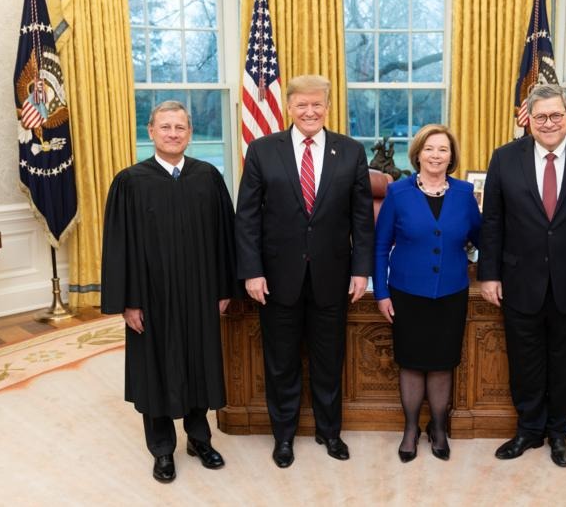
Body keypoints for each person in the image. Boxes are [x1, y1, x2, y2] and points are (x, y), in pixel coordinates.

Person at [235, 74, 374, 468]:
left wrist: (361, 269)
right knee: (281, 363)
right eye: (302, 105)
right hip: (277, 279)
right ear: (288, 108)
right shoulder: (263, 150)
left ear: (327, 108)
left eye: (317, 105)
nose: (310, 111)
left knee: (329, 361)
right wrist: (252, 271)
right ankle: (283, 438)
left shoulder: (350, 151)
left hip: (333, 276)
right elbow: (247, 218)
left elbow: (362, 217)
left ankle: (330, 433)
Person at [477, 83, 566, 466]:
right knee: (525, 360)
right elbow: (493, 221)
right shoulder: (505, 158)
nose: (549, 123)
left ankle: (558, 432)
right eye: (541, 116)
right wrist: (489, 274)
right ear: (529, 120)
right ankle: (528, 430)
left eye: (556, 115)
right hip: (520, 280)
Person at [101, 101, 237, 483]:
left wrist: (225, 288)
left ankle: (199, 439)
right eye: (165, 127)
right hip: (151, 296)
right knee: (155, 368)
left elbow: (226, 237)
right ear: (151, 131)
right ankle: (162, 450)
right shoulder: (130, 181)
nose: (173, 133)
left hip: (199, 292)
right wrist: (129, 301)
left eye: (180, 127)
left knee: (199, 363)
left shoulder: (208, 177)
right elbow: (118, 247)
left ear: (190, 133)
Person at [374, 124, 481, 463]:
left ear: (452, 157)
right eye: (430, 149)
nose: (436, 155)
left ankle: (437, 427)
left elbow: (483, 240)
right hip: (406, 293)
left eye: (443, 150)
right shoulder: (398, 193)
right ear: (418, 153)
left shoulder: (465, 193)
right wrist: (381, 293)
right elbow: (380, 246)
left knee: (441, 364)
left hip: (451, 293)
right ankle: (410, 429)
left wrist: (496, 270)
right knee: (411, 363)